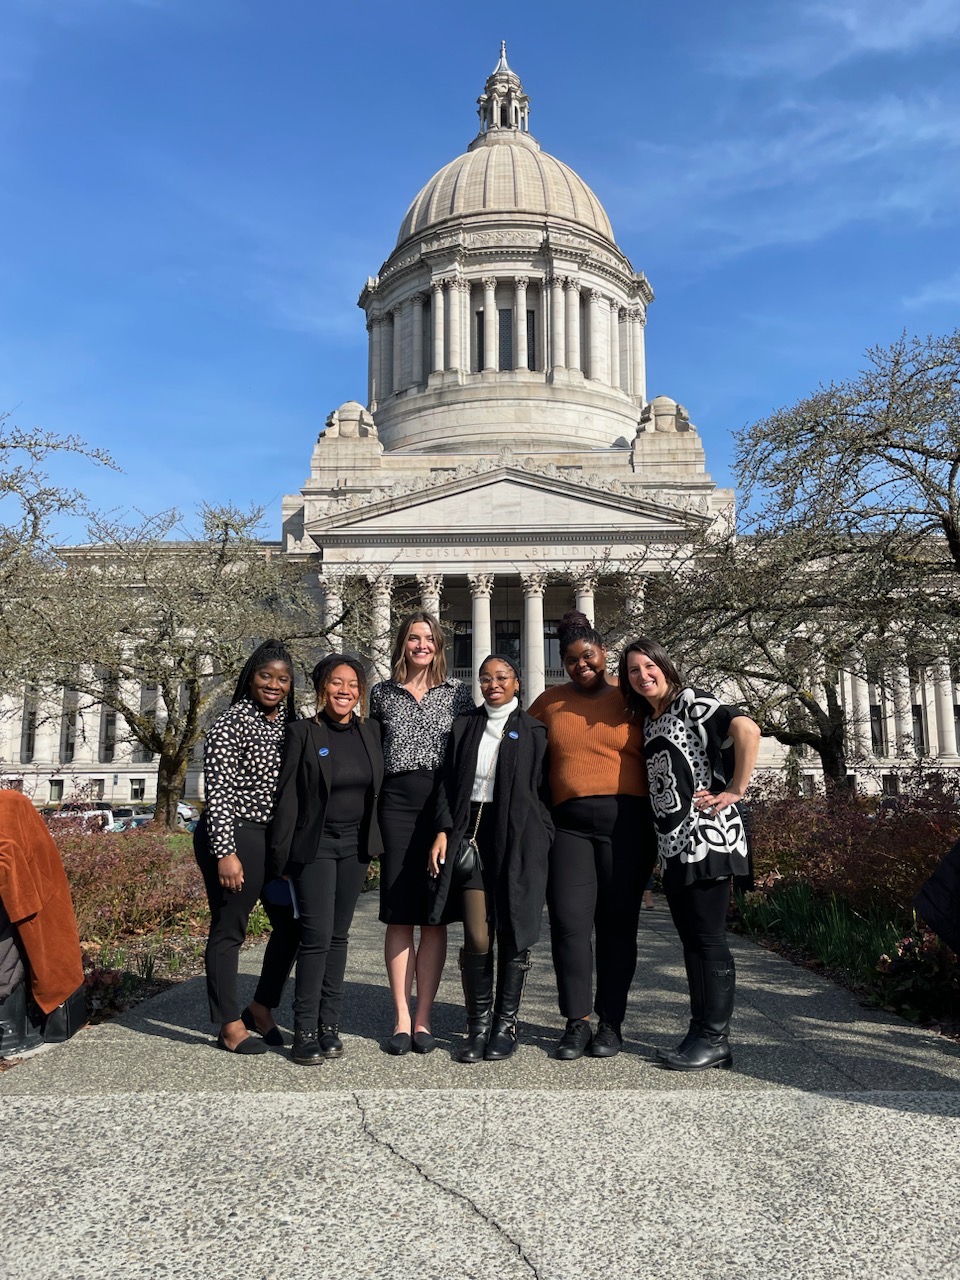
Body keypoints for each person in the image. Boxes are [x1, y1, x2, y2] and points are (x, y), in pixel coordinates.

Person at [620, 637, 761, 1071]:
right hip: (677, 844)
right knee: (692, 942)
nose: (643, 676)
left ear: (664, 666)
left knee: (708, 939)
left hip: (709, 837)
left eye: (649, 666)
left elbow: (747, 729)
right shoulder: (651, 719)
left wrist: (736, 789)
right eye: (633, 671)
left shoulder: (689, 701)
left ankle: (715, 1037)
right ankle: (701, 1033)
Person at [528, 610, 656, 1061]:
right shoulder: (549, 702)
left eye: (588, 656)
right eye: (570, 659)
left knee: (618, 928)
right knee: (568, 925)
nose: (581, 665)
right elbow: (521, 752)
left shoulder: (630, 699)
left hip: (628, 824)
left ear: (604, 654)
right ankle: (576, 1020)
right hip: (570, 828)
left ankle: (611, 1023)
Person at [427, 655, 553, 1062]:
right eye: (486, 678)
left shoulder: (534, 730)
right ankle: (478, 1024)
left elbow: (547, 790)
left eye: (501, 677)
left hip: (517, 839)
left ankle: (505, 1024)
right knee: (478, 936)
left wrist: (543, 835)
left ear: (517, 681)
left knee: (514, 929)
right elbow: (447, 782)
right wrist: (445, 829)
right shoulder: (465, 725)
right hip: (473, 836)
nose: (493, 684)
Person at [270, 654, 384, 1066]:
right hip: (315, 847)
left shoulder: (371, 731)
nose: (345, 691)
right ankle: (303, 1030)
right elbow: (288, 799)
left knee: (339, 936)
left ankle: (328, 1026)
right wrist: (280, 856)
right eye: (337, 682)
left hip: (355, 847)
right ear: (322, 686)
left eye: (353, 684)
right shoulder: (301, 732)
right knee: (315, 938)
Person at [370, 611, 474, 1055]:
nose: (421, 645)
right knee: (399, 914)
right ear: (402, 643)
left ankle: (425, 1018)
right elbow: (374, 757)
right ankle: (400, 1016)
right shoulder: (381, 694)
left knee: (433, 917)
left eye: (428, 638)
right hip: (395, 804)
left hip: (439, 804)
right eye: (413, 638)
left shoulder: (458, 696)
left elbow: (464, 762)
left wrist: (449, 826)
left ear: (439, 646)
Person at [194, 639, 301, 1055]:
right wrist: (225, 852)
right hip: (236, 835)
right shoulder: (230, 723)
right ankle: (228, 1024)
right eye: (266, 676)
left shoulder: (287, 724)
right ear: (250, 677)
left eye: (283, 679)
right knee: (229, 929)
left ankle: (261, 1007)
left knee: (291, 925)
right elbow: (217, 792)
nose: (274, 685)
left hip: (273, 842)